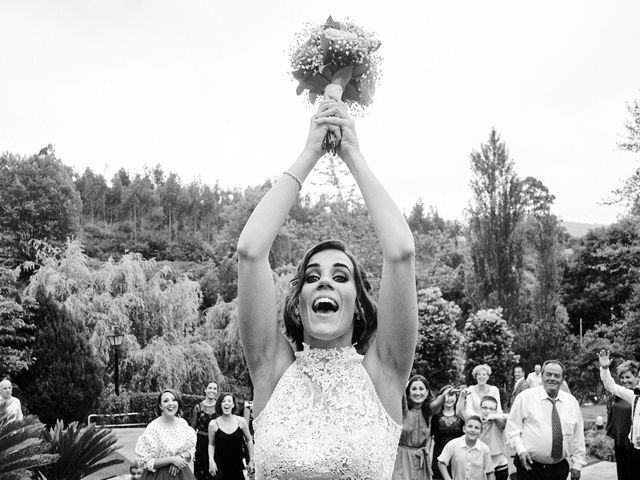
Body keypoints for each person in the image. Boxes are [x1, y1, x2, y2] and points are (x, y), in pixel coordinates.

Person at [236, 99, 418, 479]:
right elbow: (251, 252)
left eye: (340, 277)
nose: (323, 281)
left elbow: (401, 253)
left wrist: (352, 154)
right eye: (311, 275)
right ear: (299, 301)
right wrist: (310, 152)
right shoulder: (271, 370)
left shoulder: (383, 373)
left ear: (359, 305)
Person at [506, 360, 585, 480]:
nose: (552, 378)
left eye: (557, 375)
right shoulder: (525, 398)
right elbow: (512, 428)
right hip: (529, 467)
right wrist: (520, 450)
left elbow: (578, 435)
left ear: (563, 379)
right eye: (548, 374)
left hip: (559, 470)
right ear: (541, 376)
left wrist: (578, 464)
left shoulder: (571, 402)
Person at [135, 389, 197, 479]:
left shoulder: (183, 424)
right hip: (158, 476)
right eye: (166, 401)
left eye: (174, 400)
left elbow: (190, 450)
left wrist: (180, 458)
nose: (170, 403)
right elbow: (146, 462)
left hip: (181, 474)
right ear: (160, 406)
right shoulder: (153, 428)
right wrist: (171, 460)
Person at [598, 350, 640, 480]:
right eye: (623, 377)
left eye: (628, 377)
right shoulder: (633, 396)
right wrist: (605, 368)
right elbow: (611, 386)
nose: (625, 380)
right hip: (631, 446)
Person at [392, 375, 437, 480]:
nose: (417, 393)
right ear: (408, 392)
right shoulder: (403, 409)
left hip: (421, 461)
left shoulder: (428, 412)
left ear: (427, 392)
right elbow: (399, 391)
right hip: (402, 459)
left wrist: (445, 396)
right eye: (413, 389)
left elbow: (439, 402)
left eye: (421, 389)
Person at [208, 393, 253, 480]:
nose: (226, 403)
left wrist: (251, 460)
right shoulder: (213, 424)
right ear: (220, 404)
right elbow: (211, 444)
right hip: (220, 467)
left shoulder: (241, 421)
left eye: (229, 401)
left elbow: (249, 440)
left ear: (233, 405)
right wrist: (211, 460)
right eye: (223, 401)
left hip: (237, 466)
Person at [437, 415, 495, 480]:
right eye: (470, 426)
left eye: (476, 428)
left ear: (481, 432)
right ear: (464, 429)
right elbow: (441, 462)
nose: (473, 430)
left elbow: (490, 472)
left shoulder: (485, 449)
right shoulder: (453, 444)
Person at [431, 386, 465, 480]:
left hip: (457, 458)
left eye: (452, 395)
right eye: (446, 395)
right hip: (438, 457)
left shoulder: (461, 416)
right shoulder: (435, 416)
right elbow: (429, 438)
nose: (449, 399)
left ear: (456, 397)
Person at [191, 382, 219, 480]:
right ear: (205, 390)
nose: (212, 390)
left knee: (216, 471)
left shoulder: (220, 407)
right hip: (201, 442)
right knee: (201, 471)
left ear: (217, 391)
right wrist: (191, 448)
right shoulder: (198, 408)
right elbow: (193, 428)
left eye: (214, 388)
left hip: (217, 442)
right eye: (210, 388)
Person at [478, 396, 508, 480]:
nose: (488, 411)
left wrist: (495, 417)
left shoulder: (499, 422)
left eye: (491, 409)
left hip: (499, 467)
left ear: (496, 411)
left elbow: (509, 418)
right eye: (484, 407)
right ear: (480, 408)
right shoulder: (476, 422)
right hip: (481, 466)